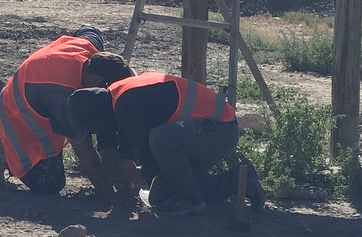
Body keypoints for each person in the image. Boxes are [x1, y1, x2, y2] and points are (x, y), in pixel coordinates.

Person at [66, 72, 265, 216]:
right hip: (198, 136)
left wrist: (141, 177)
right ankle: (239, 181)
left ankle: (191, 200)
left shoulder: (127, 102)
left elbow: (146, 146)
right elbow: (129, 129)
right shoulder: (118, 95)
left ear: (99, 116)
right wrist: (127, 159)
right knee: (160, 197)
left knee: (160, 138)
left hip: (219, 131)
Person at [0, 25, 134, 196]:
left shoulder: (90, 51)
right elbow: (87, 158)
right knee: (50, 183)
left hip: (39, 102)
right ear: (99, 79)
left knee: (99, 105)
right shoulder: (63, 95)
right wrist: (110, 195)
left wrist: (110, 152)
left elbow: (90, 29)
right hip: (15, 115)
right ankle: (3, 150)